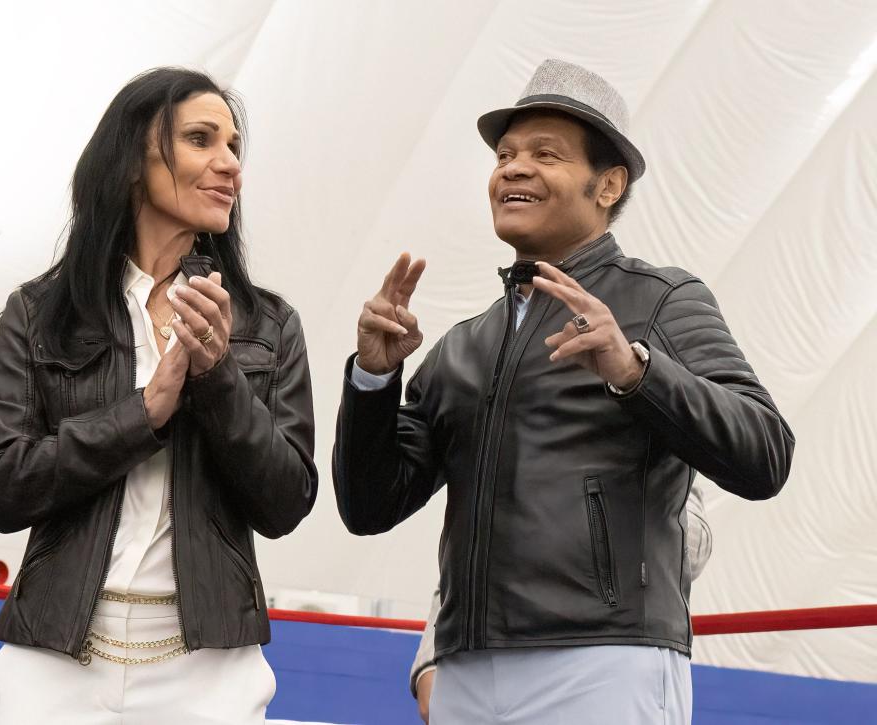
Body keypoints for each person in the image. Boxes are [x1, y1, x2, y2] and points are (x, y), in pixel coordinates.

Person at [333, 58, 794, 724]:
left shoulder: (662, 300)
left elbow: (765, 453)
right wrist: (373, 378)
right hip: (465, 670)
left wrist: (637, 372)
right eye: (505, 154)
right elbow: (369, 504)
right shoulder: (463, 344)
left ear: (608, 184)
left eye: (545, 154)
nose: (513, 168)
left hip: (604, 664)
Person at [0, 67, 317, 724]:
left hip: (210, 669)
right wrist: (144, 412)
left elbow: (286, 499)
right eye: (202, 139)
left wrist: (218, 378)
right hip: (53, 660)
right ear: (133, 161)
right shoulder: (40, 311)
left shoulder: (268, 324)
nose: (229, 165)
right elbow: (1, 485)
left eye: (235, 146)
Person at [410, 481, 713, 723]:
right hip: (477, 666)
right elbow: (472, 530)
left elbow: (693, 541)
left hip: (601, 656)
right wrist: (429, 655)